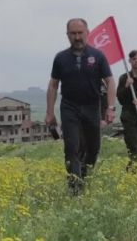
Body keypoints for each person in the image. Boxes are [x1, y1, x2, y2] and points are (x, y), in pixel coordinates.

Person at [46, 18, 116, 194]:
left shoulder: (98, 56)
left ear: (87, 33)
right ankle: (75, 189)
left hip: (92, 107)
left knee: (93, 149)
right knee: (72, 147)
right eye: (73, 33)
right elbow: (53, 85)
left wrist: (110, 107)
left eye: (80, 33)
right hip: (70, 107)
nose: (77, 37)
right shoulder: (60, 58)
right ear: (67, 35)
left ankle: (83, 177)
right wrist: (49, 112)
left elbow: (110, 81)